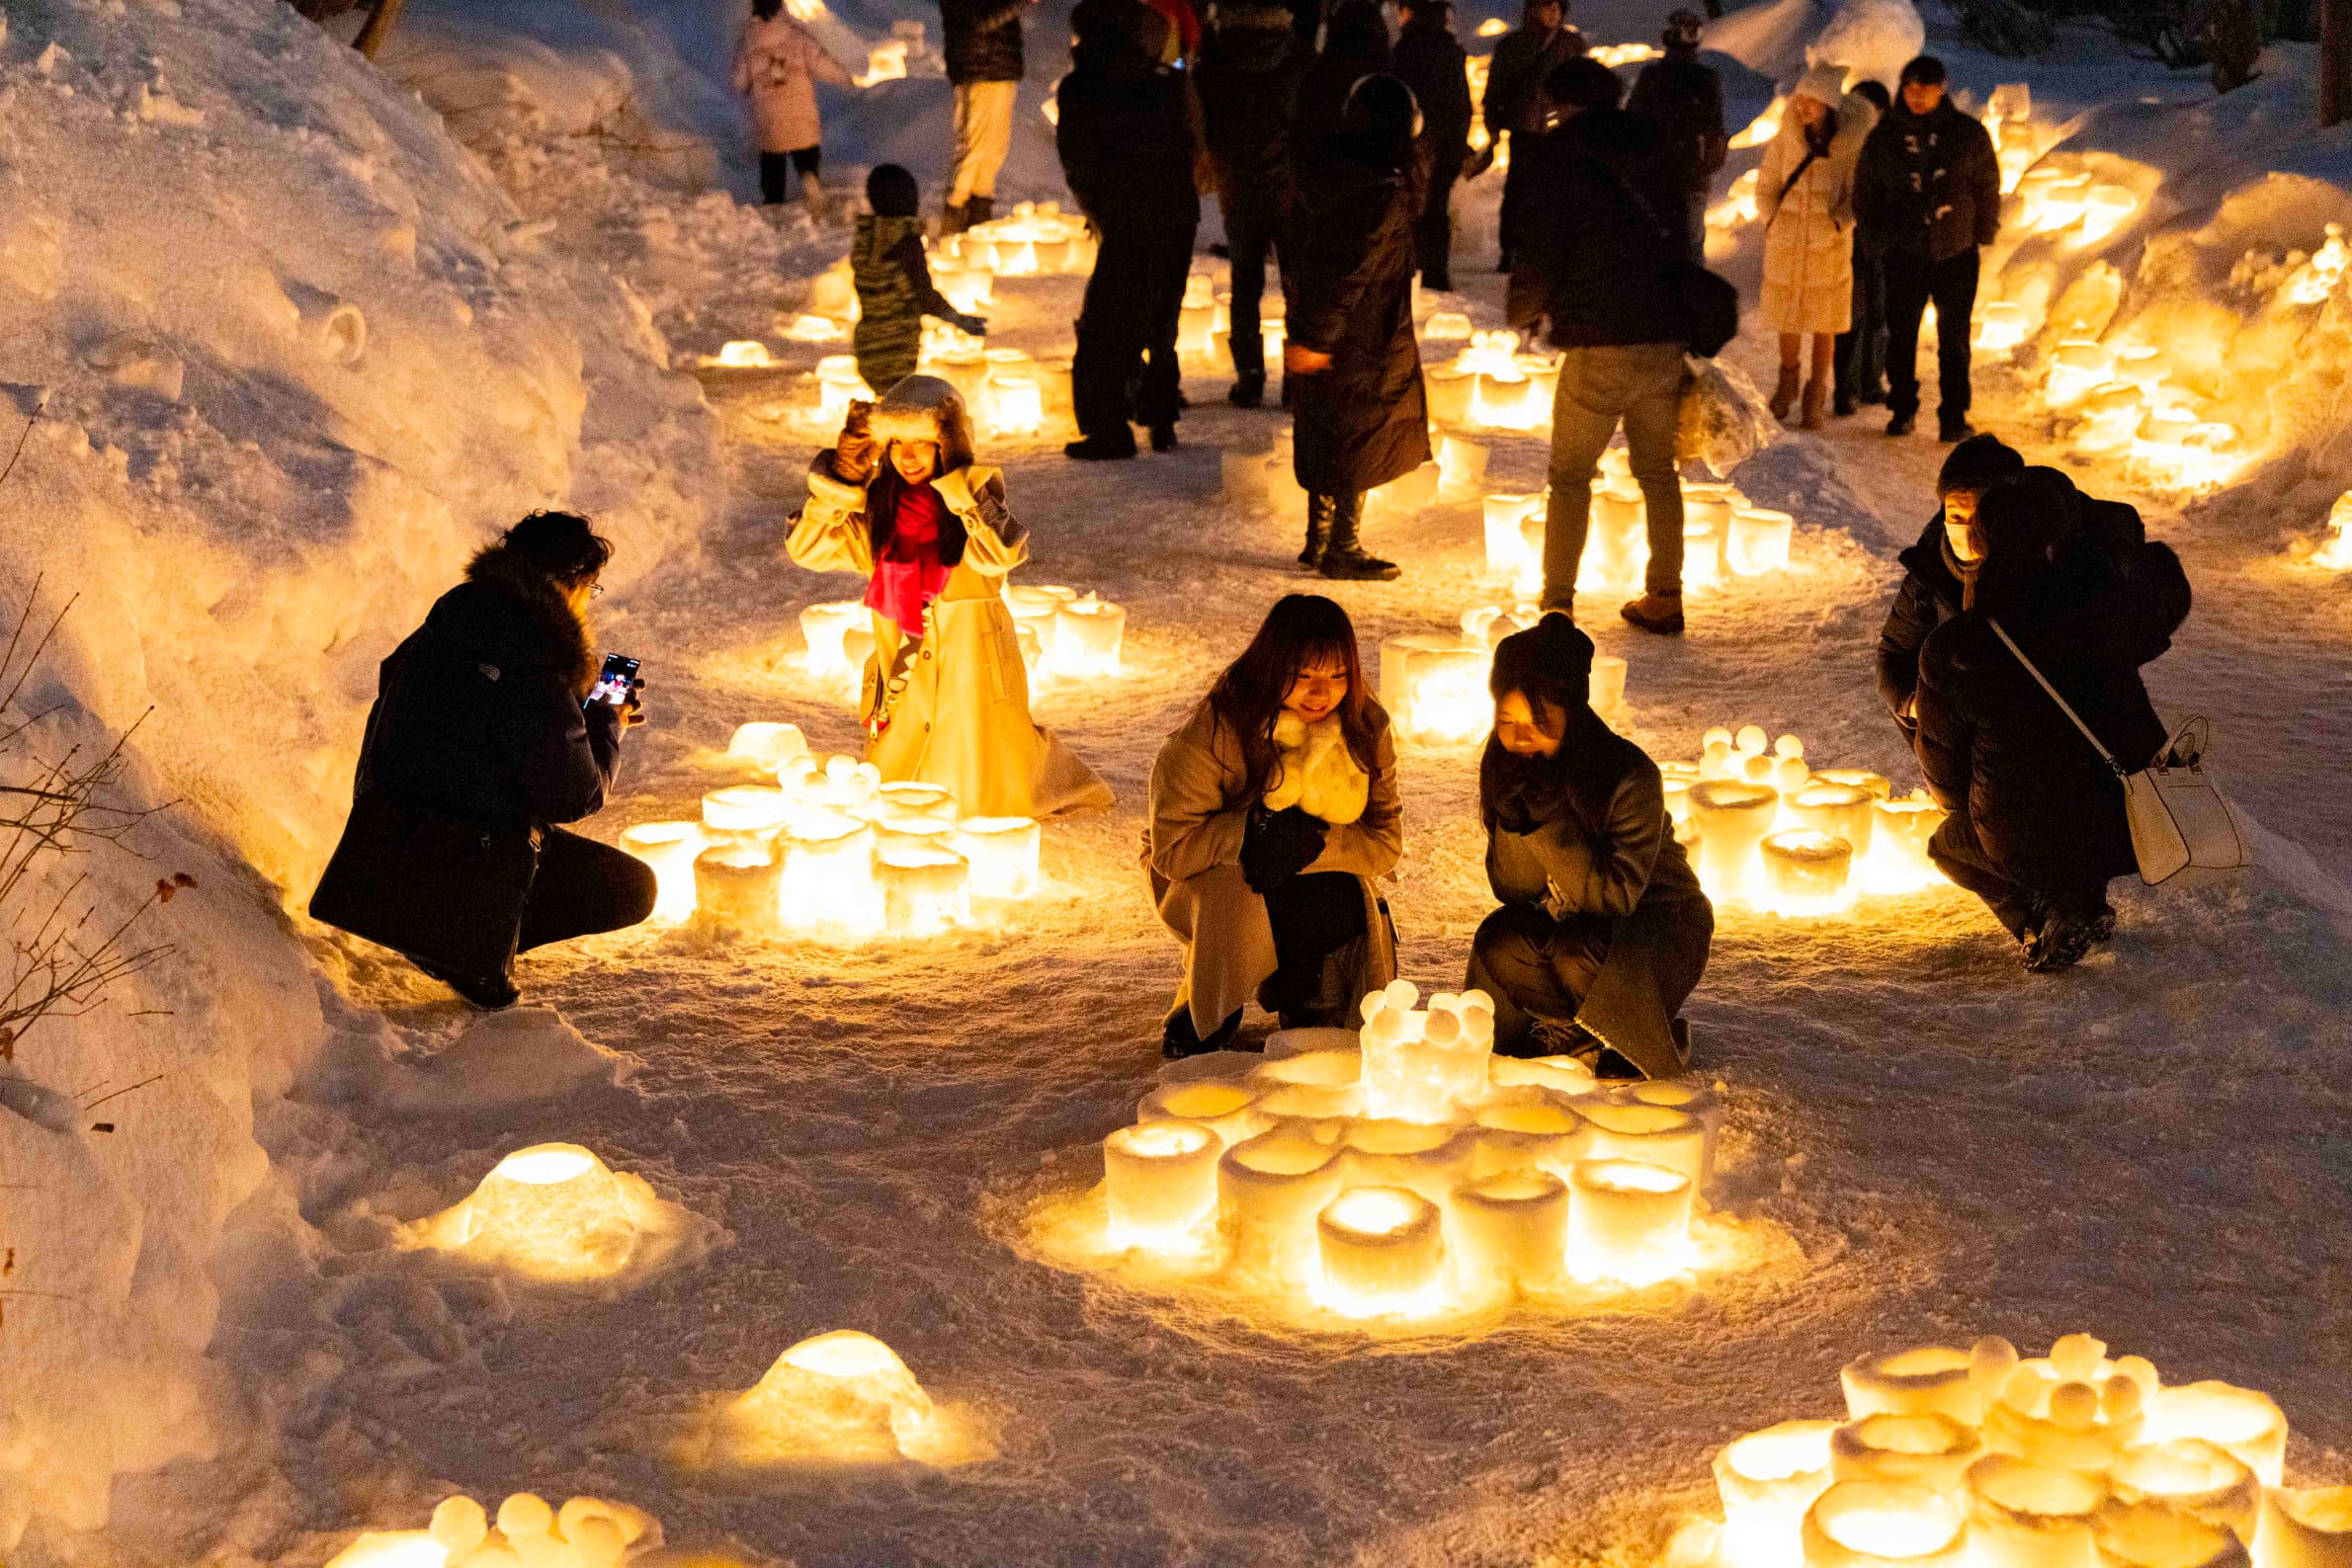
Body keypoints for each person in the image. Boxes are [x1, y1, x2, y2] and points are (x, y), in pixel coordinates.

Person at [311, 513, 655, 1009]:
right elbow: (575, 794)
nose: (589, 603)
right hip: (467, 851)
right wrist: (606, 719)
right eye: (591, 589)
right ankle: (461, 942)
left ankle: (436, 921)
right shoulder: (534, 660)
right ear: (571, 583)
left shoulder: (453, 620)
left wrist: (569, 706)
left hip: (388, 831)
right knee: (632, 887)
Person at [788, 376, 1114, 816]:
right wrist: (842, 481)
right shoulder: (877, 514)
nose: (906, 455)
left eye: (923, 442)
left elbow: (1001, 552)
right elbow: (807, 548)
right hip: (903, 695)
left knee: (978, 801)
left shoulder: (973, 508)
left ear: (949, 443)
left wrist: (961, 478)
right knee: (902, 802)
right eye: (897, 441)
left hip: (974, 692)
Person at [1913, 468, 2192, 970]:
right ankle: (2081, 900)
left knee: (1950, 844)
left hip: (2027, 839)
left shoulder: (1959, 646)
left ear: (1983, 543)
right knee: (2075, 817)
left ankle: (2041, 920)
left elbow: (1945, 776)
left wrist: (1970, 807)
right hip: (2137, 823)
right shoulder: (2107, 617)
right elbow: (2161, 601)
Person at [1146, 594, 1402, 1057]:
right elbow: (1172, 852)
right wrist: (1252, 832)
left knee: (1345, 902)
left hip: (1314, 873)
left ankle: (1311, 1004)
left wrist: (1312, 842)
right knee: (1238, 892)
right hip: (1208, 876)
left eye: (1337, 676)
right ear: (1270, 668)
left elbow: (1384, 844)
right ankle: (1208, 1011)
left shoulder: (1365, 726)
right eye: (1303, 676)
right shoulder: (1216, 731)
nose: (1321, 694)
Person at [1466, 616, 1713, 1073]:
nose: (1520, 737)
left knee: (1576, 950)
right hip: (1568, 923)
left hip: (1657, 925)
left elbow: (1615, 898)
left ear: (1572, 712)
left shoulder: (1628, 776)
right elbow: (1510, 889)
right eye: (1506, 720)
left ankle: (1638, 1034)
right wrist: (1518, 824)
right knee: (1500, 941)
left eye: (1538, 721)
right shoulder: (1508, 765)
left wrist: (1550, 828)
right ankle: (1578, 1031)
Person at [1507, 56, 1691, 632]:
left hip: (1598, 337)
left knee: (1570, 475)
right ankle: (1665, 595)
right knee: (1658, 470)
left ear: (1562, 101)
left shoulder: (1559, 155)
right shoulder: (1658, 150)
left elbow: (1540, 241)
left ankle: (1557, 603)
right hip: (1662, 331)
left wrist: (1525, 309)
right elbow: (1684, 233)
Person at [1287, 73, 1430, 582]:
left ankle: (1318, 540)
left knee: (1332, 427)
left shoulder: (1329, 174)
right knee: (1358, 435)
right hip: (1361, 333)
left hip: (1326, 323)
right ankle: (1342, 546)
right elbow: (1348, 271)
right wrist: (1318, 338)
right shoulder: (1378, 192)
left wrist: (1308, 332)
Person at [1057, 0, 1202, 459]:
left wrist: (1099, 211)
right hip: (1177, 212)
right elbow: (1187, 144)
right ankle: (1160, 418)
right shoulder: (1163, 83)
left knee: (1107, 325)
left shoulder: (1081, 88)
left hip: (1127, 219)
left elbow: (1079, 164)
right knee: (1163, 318)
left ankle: (1109, 429)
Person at [1855, 55, 2000, 441]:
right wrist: (1876, 239)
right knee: (1900, 334)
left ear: (1942, 90)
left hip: (1955, 250)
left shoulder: (1967, 134)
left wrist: (1983, 229)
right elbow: (1866, 193)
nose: (1917, 98)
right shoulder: (1884, 138)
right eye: (1910, 89)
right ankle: (1902, 408)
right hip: (1905, 252)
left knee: (1954, 338)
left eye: (1926, 89)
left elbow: (1987, 185)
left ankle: (1953, 415)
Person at [1196, 2, 1309, 408]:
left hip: (1239, 188)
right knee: (1298, 287)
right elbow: (1310, 122)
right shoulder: (1297, 58)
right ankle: (1298, 380)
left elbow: (1204, 123)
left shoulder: (1215, 61)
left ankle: (1249, 376)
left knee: (1246, 285)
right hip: (1288, 189)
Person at [1874, 433, 2025, 739]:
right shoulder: (1931, 568)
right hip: (1962, 723)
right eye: (1956, 515)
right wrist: (1917, 706)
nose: (1966, 530)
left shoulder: (2037, 566)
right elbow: (1894, 654)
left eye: (1979, 515)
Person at [1756, 64, 1876, 430]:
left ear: (1828, 104)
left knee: (1824, 321)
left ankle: (1815, 392)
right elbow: (1766, 183)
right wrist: (1773, 218)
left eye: (1812, 101)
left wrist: (1840, 221)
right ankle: (1788, 380)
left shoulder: (1850, 146)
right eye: (1800, 100)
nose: (1803, 107)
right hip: (1787, 241)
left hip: (1829, 243)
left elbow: (1860, 191)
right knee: (1787, 316)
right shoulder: (1786, 140)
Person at [852, 165, 989, 397]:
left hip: (867, 342)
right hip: (897, 344)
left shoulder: (866, 239)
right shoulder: (907, 243)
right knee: (897, 405)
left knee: (883, 401)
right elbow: (924, 296)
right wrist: (958, 319)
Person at [1479, 0, 1585, 269]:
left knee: (1559, 190)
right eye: (1546, 7)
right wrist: (1493, 132)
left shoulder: (1572, 45)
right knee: (1519, 191)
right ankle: (1512, 250)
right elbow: (1494, 93)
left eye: (1557, 8)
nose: (1552, 13)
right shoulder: (1513, 46)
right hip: (1525, 128)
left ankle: (1554, 250)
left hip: (1562, 130)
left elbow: (1585, 87)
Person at [731, 0, 855, 214]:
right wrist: (848, 78)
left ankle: (773, 200)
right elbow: (822, 63)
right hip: (801, 113)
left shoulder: (748, 42)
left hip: (769, 117)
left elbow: (738, 81)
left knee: (772, 157)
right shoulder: (798, 37)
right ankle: (809, 177)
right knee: (805, 148)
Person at [1625, 10, 1726, 261]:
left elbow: (1715, 129)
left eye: (1693, 30)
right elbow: (1631, 126)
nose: (1690, 35)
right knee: (1667, 247)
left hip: (1684, 177)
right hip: (1657, 176)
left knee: (1683, 247)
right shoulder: (1655, 78)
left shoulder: (1704, 80)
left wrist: (1707, 164)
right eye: (1685, 29)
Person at [1390, 0, 1473, 291]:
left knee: (1409, 207)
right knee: (1436, 207)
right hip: (1446, 143)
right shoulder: (1450, 52)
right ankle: (1435, 274)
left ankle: (1409, 271)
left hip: (1415, 144)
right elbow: (1461, 105)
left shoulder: (1405, 51)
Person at [937, 0, 1037, 232]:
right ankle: (953, 218)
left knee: (995, 149)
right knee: (973, 149)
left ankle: (979, 221)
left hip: (1002, 69)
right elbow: (980, 22)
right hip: (976, 69)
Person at [1832, 77, 1892, 414]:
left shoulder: (1891, 147)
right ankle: (1847, 389)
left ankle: (1871, 382)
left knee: (1880, 317)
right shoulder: (1842, 146)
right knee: (1851, 318)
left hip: (1883, 244)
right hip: (1851, 243)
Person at [1291, 0, 1392, 180]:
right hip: (1372, 187)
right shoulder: (1389, 79)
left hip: (1320, 184)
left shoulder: (1317, 75)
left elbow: (1301, 135)